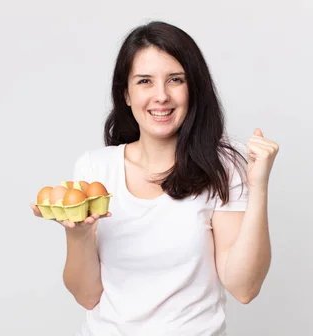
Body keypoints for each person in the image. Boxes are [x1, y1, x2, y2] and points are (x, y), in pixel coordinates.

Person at [31, 20, 279, 336]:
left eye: (175, 80)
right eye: (145, 81)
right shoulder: (96, 168)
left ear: (193, 89)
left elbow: (244, 287)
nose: (160, 96)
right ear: (126, 94)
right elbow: (87, 296)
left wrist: (259, 186)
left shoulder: (223, 164)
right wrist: (78, 234)